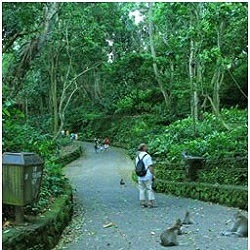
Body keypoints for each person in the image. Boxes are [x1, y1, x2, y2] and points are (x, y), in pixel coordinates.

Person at [136, 143, 156, 208]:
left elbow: (136, 166)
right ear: (144, 148)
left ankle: (142, 203)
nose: (147, 147)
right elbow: (150, 166)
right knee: (149, 188)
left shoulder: (137, 157)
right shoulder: (147, 156)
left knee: (141, 189)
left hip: (140, 175)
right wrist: (153, 174)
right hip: (147, 175)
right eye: (146, 147)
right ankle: (150, 203)